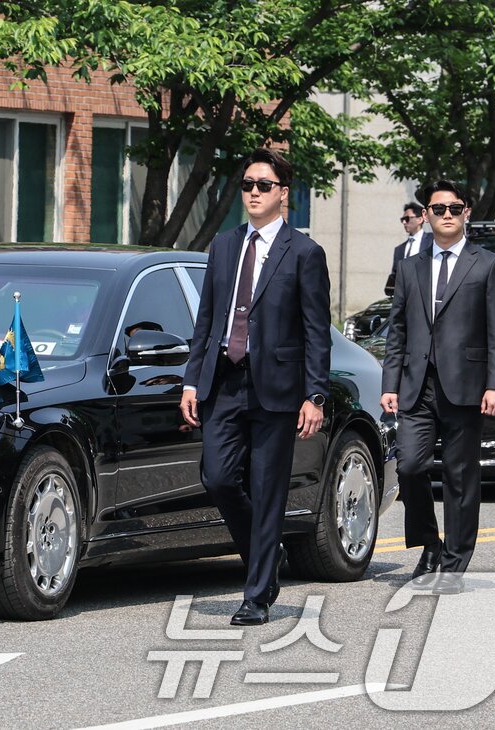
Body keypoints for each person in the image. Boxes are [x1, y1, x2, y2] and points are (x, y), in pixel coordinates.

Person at [179, 147, 331, 626]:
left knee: (268, 490)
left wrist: (315, 394)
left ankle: (257, 593)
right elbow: (206, 319)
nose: (253, 193)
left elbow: (316, 331)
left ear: (283, 194)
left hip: (279, 388)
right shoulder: (224, 246)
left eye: (263, 185)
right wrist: (190, 379)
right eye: (247, 185)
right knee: (218, 478)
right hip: (225, 380)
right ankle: (267, 556)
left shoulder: (305, 253)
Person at [380, 180, 495, 595]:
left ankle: (454, 564)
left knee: (459, 478)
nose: (447, 214)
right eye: (438, 209)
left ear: (467, 211)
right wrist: (390, 382)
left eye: (455, 207)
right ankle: (430, 543)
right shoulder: (410, 266)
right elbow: (397, 330)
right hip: (417, 386)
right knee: (409, 467)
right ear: (427, 215)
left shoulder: (487, 264)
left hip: (466, 387)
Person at [385, 202, 431, 295]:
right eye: (402, 219)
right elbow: (395, 275)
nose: (404, 222)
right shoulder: (399, 249)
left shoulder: (433, 240)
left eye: (407, 219)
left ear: (420, 219)